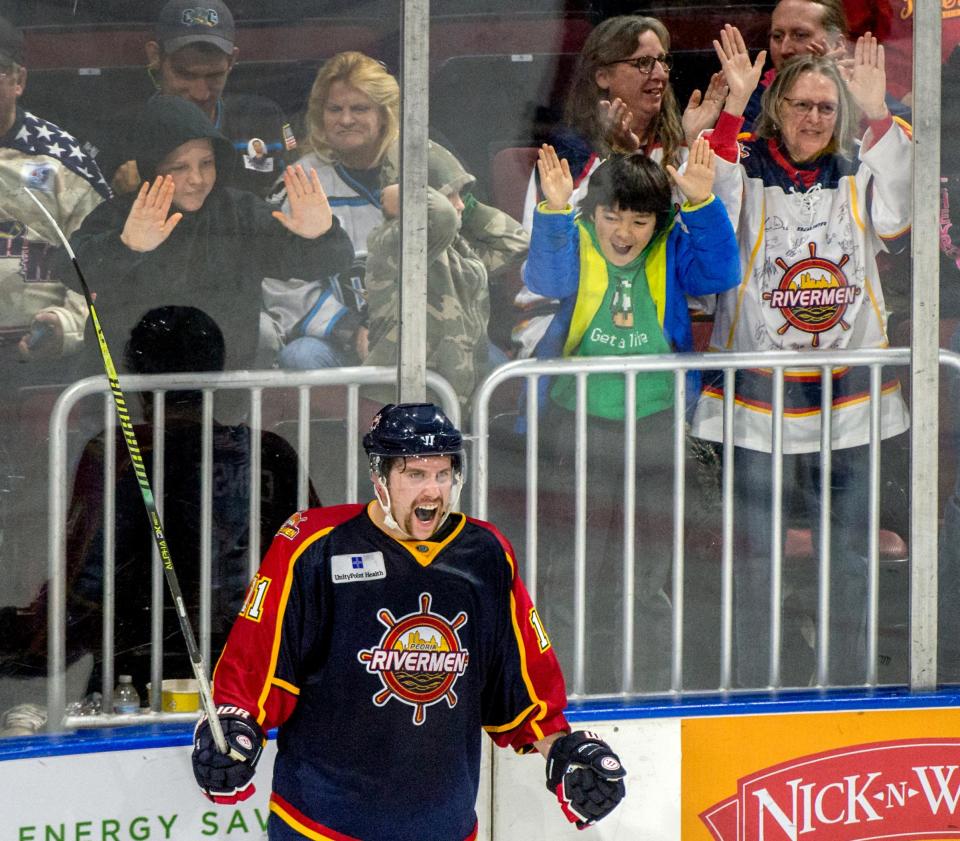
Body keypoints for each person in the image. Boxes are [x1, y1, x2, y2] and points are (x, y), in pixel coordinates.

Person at [191, 402, 626, 840]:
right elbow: (256, 665)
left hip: (443, 826)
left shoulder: (486, 555)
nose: (432, 491)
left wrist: (563, 750)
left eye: (442, 474)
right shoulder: (313, 545)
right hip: (323, 824)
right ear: (379, 477)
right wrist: (234, 727)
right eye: (415, 475)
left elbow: (519, 689)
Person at [692, 27, 912, 686]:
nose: (813, 118)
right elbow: (704, 208)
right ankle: (758, 687)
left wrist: (877, 112)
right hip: (757, 399)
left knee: (847, 559)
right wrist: (730, 108)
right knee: (757, 559)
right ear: (777, 105)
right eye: (801, 105)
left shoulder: (861, 167)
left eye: (826, 107)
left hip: (851, 402)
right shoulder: (744, 163)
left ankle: (845, 686)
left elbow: (900, 215)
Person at [0, 305, 320, 699]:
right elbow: (315, 575)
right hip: (255, 674)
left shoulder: (118, 453)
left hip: (137, 678)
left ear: (134, 374)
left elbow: (86, 589)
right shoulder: (272, 452)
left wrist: (25, 641)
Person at [523, 138, 740, 691]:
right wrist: (551, 211)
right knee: (573, 566)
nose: (623, 233)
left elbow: (720, 273)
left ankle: (647, 688)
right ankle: (561, 688)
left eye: (639, 220)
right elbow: (545, 280)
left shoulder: (671, 246)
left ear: (657, 221)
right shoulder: (575, 239)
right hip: (579, 427)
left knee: (648, 573)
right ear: (591, 212)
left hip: (656, 426)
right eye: (611, 217)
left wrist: (701, 205)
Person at [67, 94, 353, 373]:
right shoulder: (122, 214)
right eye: (179, 167)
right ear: (152, 167)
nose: (197, 179)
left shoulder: (240, 213)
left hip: (219, 400)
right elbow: (68, 269)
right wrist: (125, 246)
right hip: (130, 402)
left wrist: (322, 235)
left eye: (206, 163)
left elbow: (324, 261)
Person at [514, 14, 727, 359]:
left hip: (658, 314)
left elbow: (697, 251)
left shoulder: (677, 147)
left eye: (662, 61)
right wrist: (616, 158)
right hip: (566, 316)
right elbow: (551, 260)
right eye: (643, 63)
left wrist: (690, 142)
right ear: (602, 76)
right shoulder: (567, 154)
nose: (659, 74)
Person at [361, 141, 529, 408]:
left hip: (450, 401)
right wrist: (410, 193)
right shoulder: (395, 242)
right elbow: (440, 216)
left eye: (462, 196)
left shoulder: (456, 249)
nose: (460, 204)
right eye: (451, 194)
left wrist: (467, 204)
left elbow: (515, 242)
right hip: (403, 402)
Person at [265, 52, 399, 370]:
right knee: (300, 357)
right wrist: (350, 330)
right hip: (334, 340)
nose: (346, 119)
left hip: (419, 333)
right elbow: (279, 283)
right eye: (335, 109)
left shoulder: (422, 169)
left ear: (384, 114)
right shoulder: (300, 180)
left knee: (483, 361)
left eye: (360, 108)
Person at [90, 0, 297, 199]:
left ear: (232, 60)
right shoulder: (116, 135)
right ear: (155, 57)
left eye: (214, 76)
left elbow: (294, 207)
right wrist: (124, 201)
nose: (201, 93)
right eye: (185, 75)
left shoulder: (263, 120)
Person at [0, 15, 111, 372]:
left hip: (35, 353)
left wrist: (66, 326)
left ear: (19, 80)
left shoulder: (63, 161)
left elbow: (104, 261)